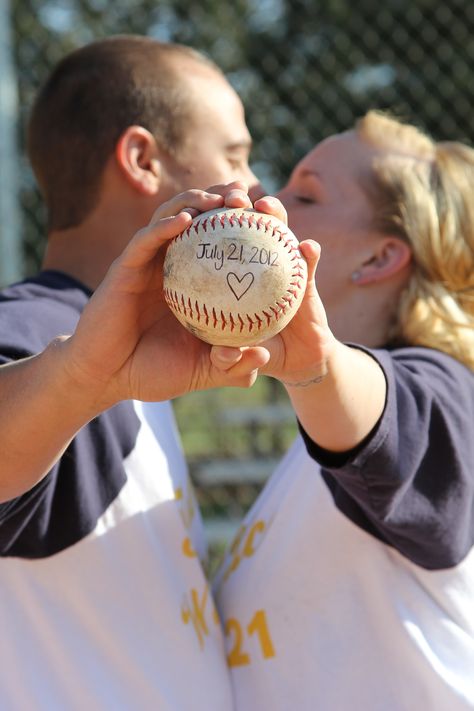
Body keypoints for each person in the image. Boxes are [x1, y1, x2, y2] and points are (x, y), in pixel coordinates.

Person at [0, 34, 263, 710]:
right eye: (234, 155)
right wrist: (85, 374)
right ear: (142, 158)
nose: (257, 184)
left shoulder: (114, 341)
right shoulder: (43, 332)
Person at [212, 111, 474, 710]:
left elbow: (389, 421)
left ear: (380, 259)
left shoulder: (448, 394)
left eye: (305, 194)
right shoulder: (316, 432)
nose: (267, 199)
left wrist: (316, 365)